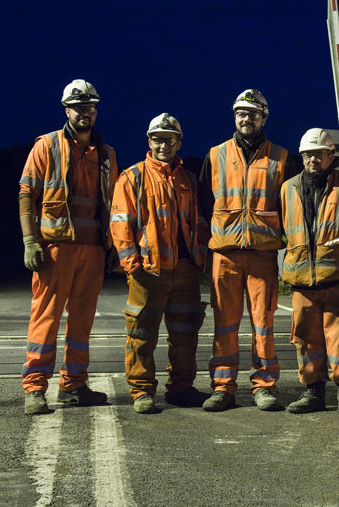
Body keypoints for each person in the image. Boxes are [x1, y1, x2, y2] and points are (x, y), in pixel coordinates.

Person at [19, 79, 118, 415]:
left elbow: (112, 206)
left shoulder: (106, 154)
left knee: (81, 322)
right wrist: (30, 241)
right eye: (78, 107)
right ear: (66, 110)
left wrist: (112, 247)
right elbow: (26, 195)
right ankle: (35, 387)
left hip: (93, 250)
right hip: (55, 249)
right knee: (45, 317)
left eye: (90, 107)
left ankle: (73, 386)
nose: (84, 112)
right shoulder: (47, 145)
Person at [198, 89, 300, 412]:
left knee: (263, 325)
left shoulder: (282, 158)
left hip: (262, 254)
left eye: (253, 114)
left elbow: (291, 207)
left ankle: (264, 386)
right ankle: (223, 387)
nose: (247, 119)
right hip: (225, 254)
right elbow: (202, 204)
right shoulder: (216, 155)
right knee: (224, 326)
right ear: (234, 117)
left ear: (264, 118)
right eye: (241, 113)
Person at [110, 113, 210, 414]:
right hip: (148, 270)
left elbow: (199, 222)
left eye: (169, 139)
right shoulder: (133, 177)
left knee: (185, 333)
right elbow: (120, 222)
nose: (163, 145)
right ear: (149, 141)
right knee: (141, 333)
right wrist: (132, 264)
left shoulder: (189, 179)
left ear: (179, 142)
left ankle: (181, 388)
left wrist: (199, 260)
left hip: (185, 269)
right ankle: (142, 391)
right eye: (157, 139)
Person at [280, 128, 339, 419]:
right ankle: (313, 392)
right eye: (308, 155)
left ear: (332, 156)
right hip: (302, 282)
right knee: (306, 340)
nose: (313, 160)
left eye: (319, 154)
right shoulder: (288, 188)